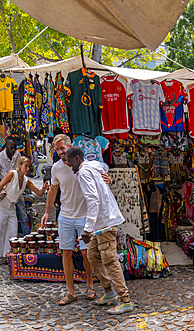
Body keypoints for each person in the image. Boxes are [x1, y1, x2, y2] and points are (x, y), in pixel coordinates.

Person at [41, 134, 106, 305]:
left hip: (84, 215)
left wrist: (108, 177)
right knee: (66, 252)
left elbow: (101, 174)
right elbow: (53, 190)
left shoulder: (83, 164)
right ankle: (70, 292)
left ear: (70, 146)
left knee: (87, 253)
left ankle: (90, 285)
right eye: (57, 149)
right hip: (65, 216)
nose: (61, 152)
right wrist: (47, 212)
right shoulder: (56, 168)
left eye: (62, 148)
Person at [68, 147, 134, 314]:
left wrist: (86, 229)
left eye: (69, 160)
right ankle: (109, 292)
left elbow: (93, 200)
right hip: (101, 223)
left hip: (104, 223)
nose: (68, 164)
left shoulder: (83, 173)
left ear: (77, 158)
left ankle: (125, 300)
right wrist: (107, 178)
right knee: (93, 256)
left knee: (110, 260)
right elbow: (103, 167)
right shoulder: (92, 165)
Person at [0, 157, 47, 265]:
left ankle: (8, 255)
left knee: (12, 232)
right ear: (19, 165)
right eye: (25, 166)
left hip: (12, 208)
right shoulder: (12, 174)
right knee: (1, 231)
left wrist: (44, 189)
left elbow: (39, 193)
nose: (27, 169)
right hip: (2, 206)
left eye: (28, 166)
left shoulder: (26, 180)